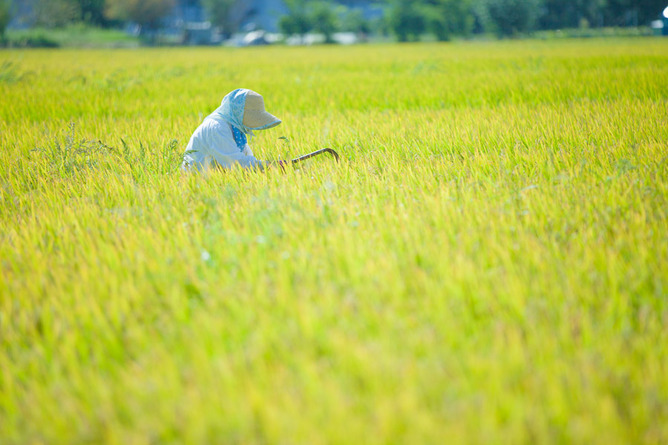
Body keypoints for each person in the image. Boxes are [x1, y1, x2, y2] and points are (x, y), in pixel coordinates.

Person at [182, 88, 285, 171]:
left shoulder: (235, 129)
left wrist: (272, 166)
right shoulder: (218, 127)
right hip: (197, 181)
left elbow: (245, 158)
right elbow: (236, 164)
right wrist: (271, 165)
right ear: (239, 112)